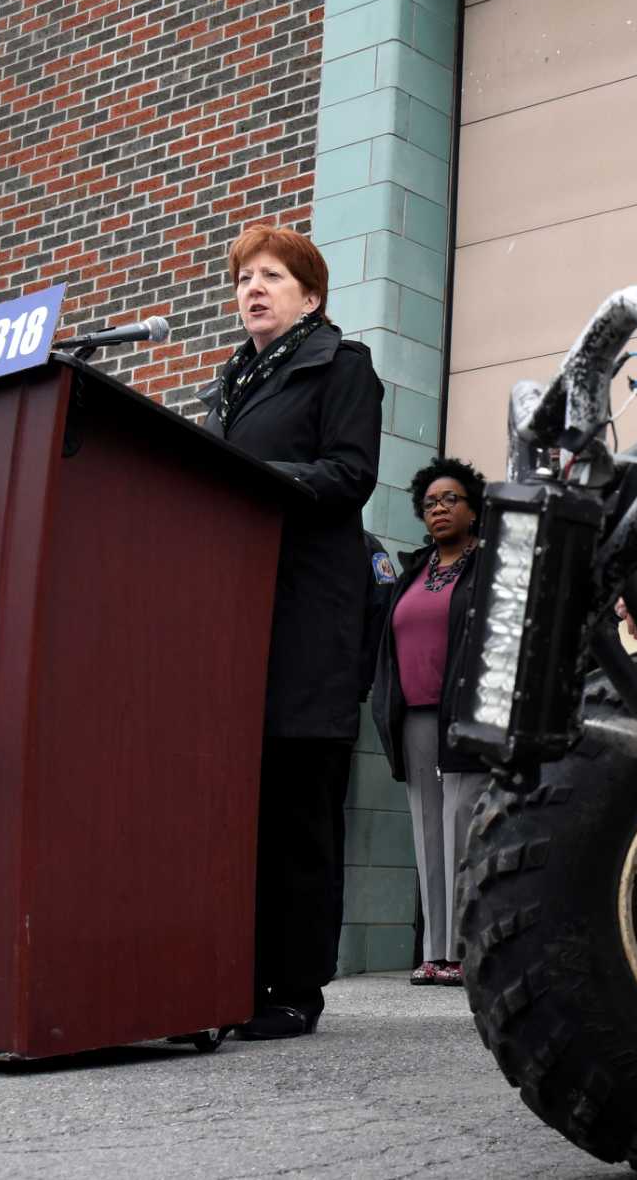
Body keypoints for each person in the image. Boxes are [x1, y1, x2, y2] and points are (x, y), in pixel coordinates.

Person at [202, 222, 383, 1040]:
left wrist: (250, 478)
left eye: (272, 276)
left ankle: (293, 989)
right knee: (245, 810)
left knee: (300, 810)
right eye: (244, 278)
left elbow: (349, 476)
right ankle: (236, 977)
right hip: (241, 620)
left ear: (310, 296)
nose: (254, 288)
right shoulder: (233, 381)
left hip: (311, 617)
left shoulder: (341, 366)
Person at [369, 457, 487, 987]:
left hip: (463, 713)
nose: (438, 509)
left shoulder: (487, 568)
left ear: (473, 508)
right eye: (430, 503)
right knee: (427, 829)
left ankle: (465, 950)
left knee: (463, 823)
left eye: (450, 500)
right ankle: (434, 951)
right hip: (413, 714)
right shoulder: (414, 569)